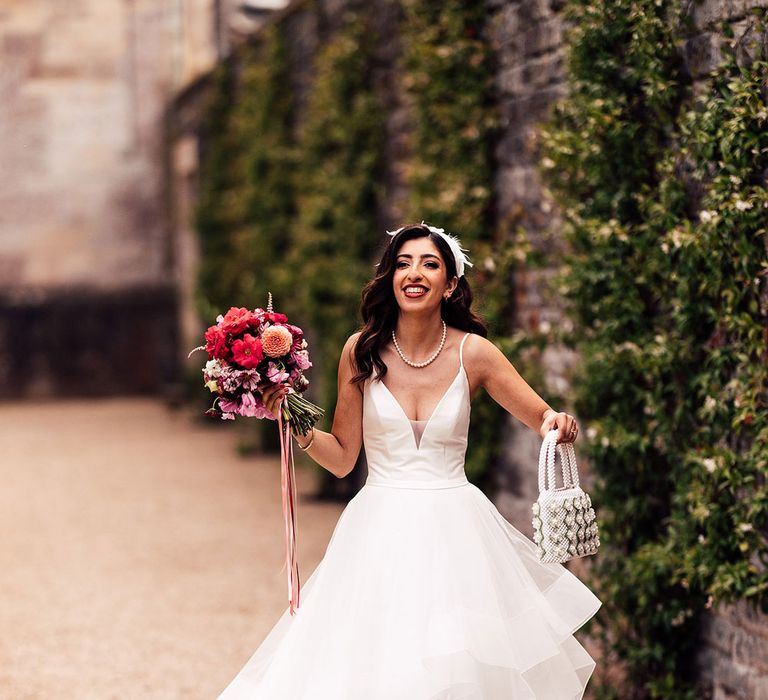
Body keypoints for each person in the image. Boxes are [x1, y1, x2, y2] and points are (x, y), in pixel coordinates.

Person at [216, 222, 602, 699]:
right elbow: (341, 460)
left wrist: (558, 423)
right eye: (403, 263)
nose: (414, 273)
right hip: (377, 532)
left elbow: (541, 416)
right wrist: (292, 420)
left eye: (430, 264)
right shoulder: (360, 352)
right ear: (390, 277)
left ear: (451, 284)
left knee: (456, 669)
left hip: (458, 534)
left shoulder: (474, 353)